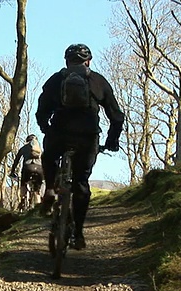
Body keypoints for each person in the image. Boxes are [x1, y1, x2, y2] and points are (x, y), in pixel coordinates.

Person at [36, 43, 125, 250]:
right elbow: (117, 117)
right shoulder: (98, 81)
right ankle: (79, 234)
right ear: (89, 61)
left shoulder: (56, 80)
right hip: (87, 136)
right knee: (81, 183)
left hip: (59, 134)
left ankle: (49, 189)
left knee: (49, 156)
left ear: (66, 61)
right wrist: (112, 141)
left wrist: (46, 129)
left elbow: (41, 110)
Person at [9, 134, 44, 211]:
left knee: (23, 184)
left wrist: (12, 171)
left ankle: (22, 200)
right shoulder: (40, 149)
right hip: (39, 169)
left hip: (27, 168)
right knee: (37, 190)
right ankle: (38, 206)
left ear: (27, 141)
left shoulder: (23, 148)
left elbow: (16, 161)